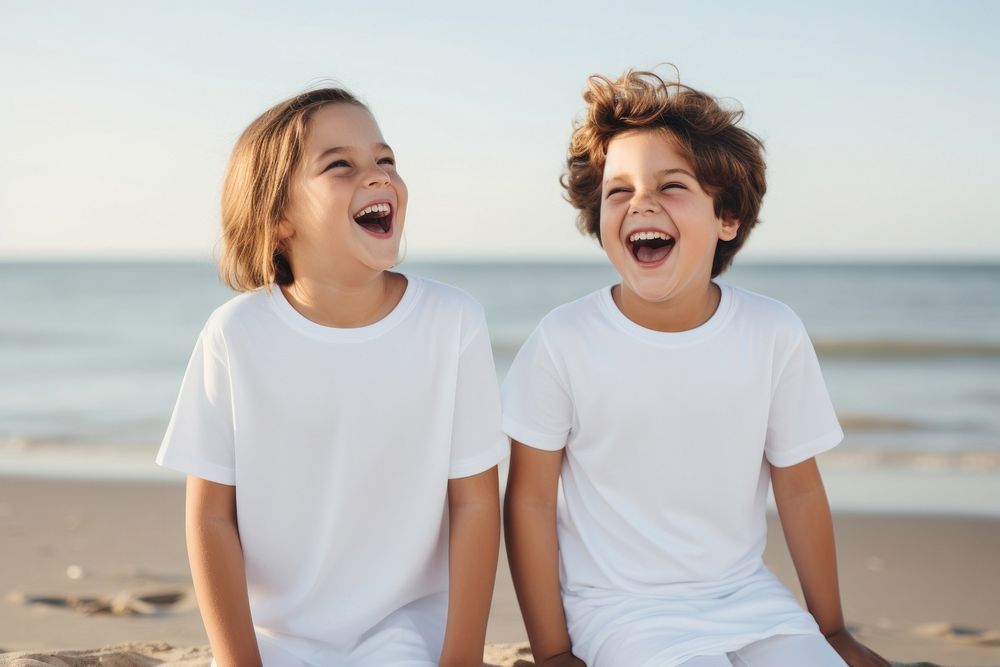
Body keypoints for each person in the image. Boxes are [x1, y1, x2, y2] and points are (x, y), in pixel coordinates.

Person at [501, 69, 891, 667]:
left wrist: (831, 631)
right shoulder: (564, 340)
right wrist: (553, 651)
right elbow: (528, 501)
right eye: (618, 191)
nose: (641, 203)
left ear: (726, 218)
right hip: (619, 607)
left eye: (671, 185)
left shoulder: (772, 332)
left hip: (748, 595)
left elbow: (799, 485)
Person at [156, 88, 508, 666]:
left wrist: (462, 655)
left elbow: (473, 502)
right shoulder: (235, 335)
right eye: (340, 164)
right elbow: (211, 515)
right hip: (275, 641)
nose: (377, 177)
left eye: (385, 159)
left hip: (406, 636)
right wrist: (238, 660)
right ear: (278, 218)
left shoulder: (452, 322)